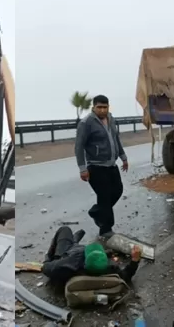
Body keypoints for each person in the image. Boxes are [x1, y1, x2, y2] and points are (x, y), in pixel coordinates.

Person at [74, 95, 128, 239]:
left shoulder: (111, 119)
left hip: (111, 165)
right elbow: (79, 146)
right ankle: (106, 229)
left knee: (117, 191)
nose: (103, 110)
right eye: (100, 107)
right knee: (104, 197)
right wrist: (82, 168)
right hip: (96, 167)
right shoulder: (86, 123)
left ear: (108, 107)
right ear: (94, 107)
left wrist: (123, 157)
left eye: (105, 107)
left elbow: (116, 139)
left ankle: (97, 212)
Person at [41, 226, 141, 286]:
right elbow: (126, 276)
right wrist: (135, 260)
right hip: (76, 253)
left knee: (65, 229)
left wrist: (48, 257)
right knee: (75, 242)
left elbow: (45, 267)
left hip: (68, 253)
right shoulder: (108, 268)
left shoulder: (70, 262)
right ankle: (74, 240)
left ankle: (72, 242)